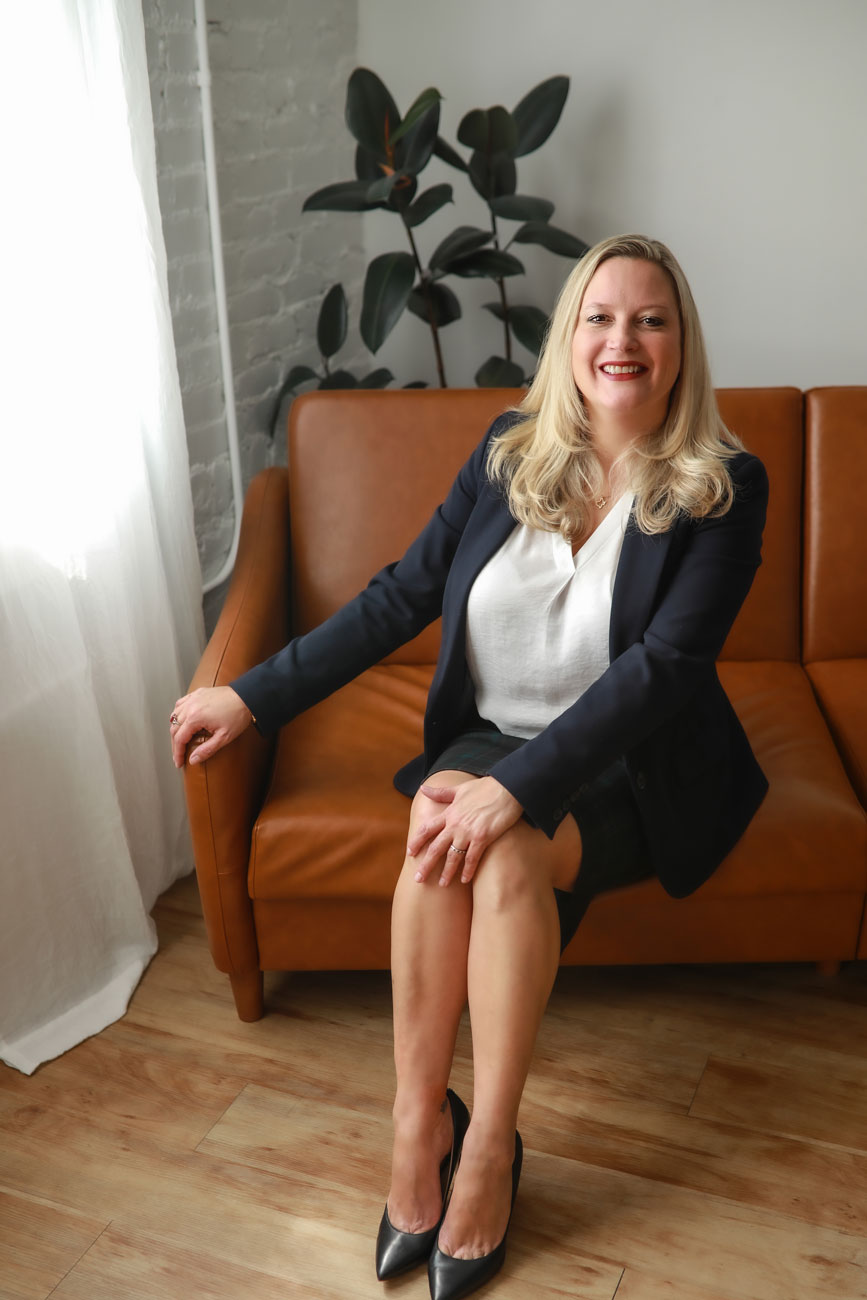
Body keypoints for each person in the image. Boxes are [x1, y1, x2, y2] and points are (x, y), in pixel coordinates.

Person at [169, 234, 769, 1300]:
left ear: (681, 345)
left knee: (495, 843)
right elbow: (400, 596)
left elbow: (667, 670)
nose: (621, 339)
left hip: (635, 761)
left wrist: (520, 787)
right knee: (451, 824)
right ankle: (416, 1124)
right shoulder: (507, 450)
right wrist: (250, 697)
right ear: (568, 336)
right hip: (491, 736)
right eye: (599, 316)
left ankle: (484, 1146)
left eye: (649, 319)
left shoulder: (724, 484)